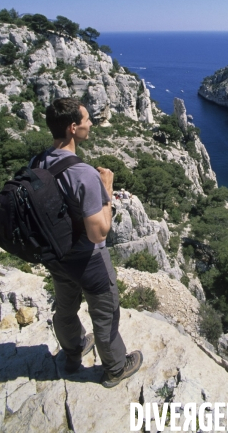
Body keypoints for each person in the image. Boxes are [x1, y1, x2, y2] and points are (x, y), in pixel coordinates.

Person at [34, 97, 143, 388]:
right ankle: (115, 368)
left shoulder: (39, 161)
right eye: (87, 119)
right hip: (88, 260)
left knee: (66, 308)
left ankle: (72, 354)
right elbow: (99, 233)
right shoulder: (83, 175)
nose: (92, 123)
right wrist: (106, 189)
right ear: (73, 128)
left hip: (56, 257)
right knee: (105, 314)